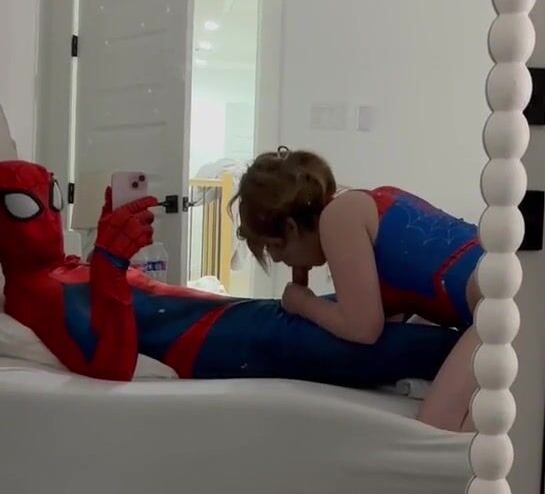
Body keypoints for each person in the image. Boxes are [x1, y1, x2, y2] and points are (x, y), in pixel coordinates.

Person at [0, 159, 459, 389]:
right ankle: (475, 347)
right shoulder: (32, 293)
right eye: (24, 207)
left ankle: (464, 328)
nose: (49, 216)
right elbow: (110, 367)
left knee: (348, 314)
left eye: (53, 197)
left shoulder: (67, 268)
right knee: (407, 346)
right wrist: (109, 264)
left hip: (227, 320)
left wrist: (109, 263)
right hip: (208, 342)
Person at [232, 149, 484, 431]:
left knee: (438, 425)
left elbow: (363, 328)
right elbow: (393, 308)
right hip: (501, 293)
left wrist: (303, 302)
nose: (279, 259)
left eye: (274, 247)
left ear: (291, 227)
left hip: (498, 303)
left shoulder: (338, 217)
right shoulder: (367, 203)